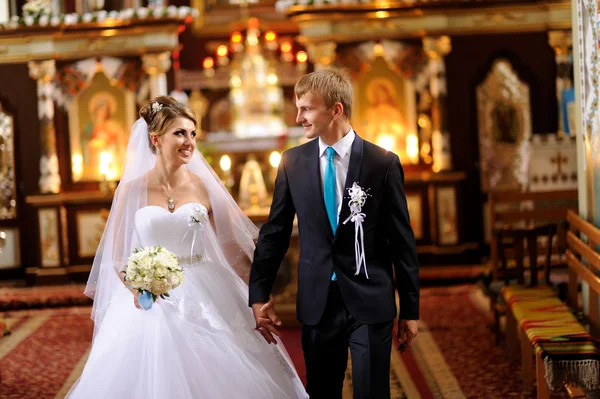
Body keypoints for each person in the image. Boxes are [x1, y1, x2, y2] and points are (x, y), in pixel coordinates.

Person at [67, 96, 307, 399]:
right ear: (155, 139)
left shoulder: (204, 186)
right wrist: (141, 290)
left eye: (192, 134)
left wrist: (258, 299)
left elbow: (233, 251)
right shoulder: (130, 190)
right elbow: (117, 258)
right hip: (149, 300)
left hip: (207, 288)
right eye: (179, 133)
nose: (189, 142)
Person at [249, 69, 420, 399]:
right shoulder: (292, 162)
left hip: (371, 298)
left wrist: (410, 310)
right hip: (317, 303)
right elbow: (275, 233)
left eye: (307, 109)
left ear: (336, 109)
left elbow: (402, 242)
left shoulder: (380, 163)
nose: (298, 117)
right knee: (323, 391)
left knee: (372, 392)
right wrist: (259, 293)